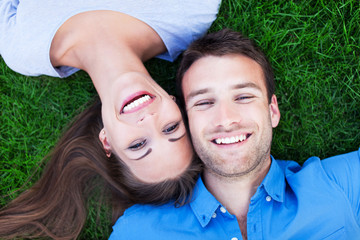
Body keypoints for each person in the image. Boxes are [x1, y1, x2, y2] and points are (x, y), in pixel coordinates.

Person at [109, 29, 360, 239]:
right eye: (204, 103)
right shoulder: (138, 231)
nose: (226, 119)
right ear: (187, 122)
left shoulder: (340, 187)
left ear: (272, 111)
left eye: (243, 97)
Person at [0, 0, 221, 238]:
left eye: (138, 145)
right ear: (175, 102)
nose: (149, 120)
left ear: (106, 141)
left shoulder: (21, 49)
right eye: (170, 128)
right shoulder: (191, 12)